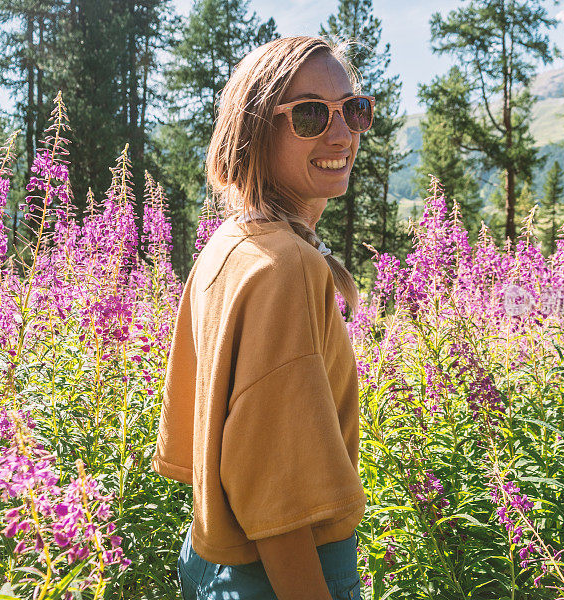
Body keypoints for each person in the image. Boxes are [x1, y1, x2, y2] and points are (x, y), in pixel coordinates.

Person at [151, 35, 375, 600]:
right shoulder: (288, 265)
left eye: (354, 108)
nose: (342, 132)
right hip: (281, 573)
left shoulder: (230, 243)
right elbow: (279, 496)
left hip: (209, 558)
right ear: (255, 131)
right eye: (308, 115)